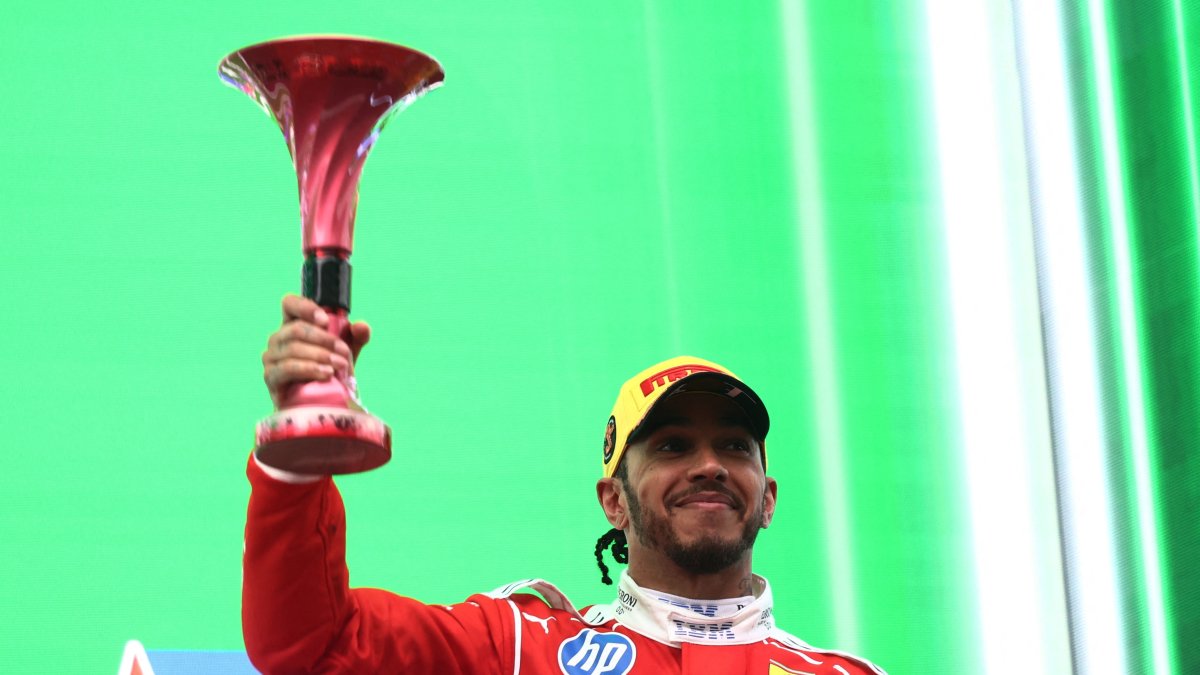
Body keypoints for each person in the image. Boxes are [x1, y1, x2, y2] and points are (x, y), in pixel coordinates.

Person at [243, 295, 886, 675]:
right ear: (614, 502)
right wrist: (299, 453)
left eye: (734, 446)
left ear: (768, 498)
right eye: (671, 446)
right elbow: (312, 643)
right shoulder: (520, 649)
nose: (709, 464)